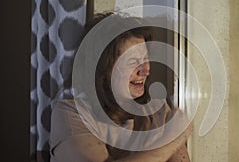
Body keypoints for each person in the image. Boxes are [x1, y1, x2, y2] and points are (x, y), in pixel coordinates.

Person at [49, 12, 192, 162]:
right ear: (103, 69)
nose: (146, 70)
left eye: (145, 58)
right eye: (132, 62)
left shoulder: (158, 112)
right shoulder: (71, 113)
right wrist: (172, 141)